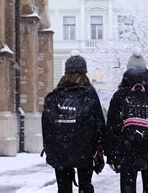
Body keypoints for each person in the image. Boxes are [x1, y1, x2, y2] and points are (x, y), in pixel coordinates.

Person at [105, 48, 148, 193]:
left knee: (128, 187)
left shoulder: (120, 94)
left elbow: (111, 126)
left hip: (126, 150)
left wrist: (111, 154)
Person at [42, 51, 105, 193]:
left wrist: (49, 148)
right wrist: (100, 148)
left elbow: (47, 125)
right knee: (85, 186)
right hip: (85, 150)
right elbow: (99, 122)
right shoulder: (89, 93)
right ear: (84, 72)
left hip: (60, 150)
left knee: (63, 188)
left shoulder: (56, 94)